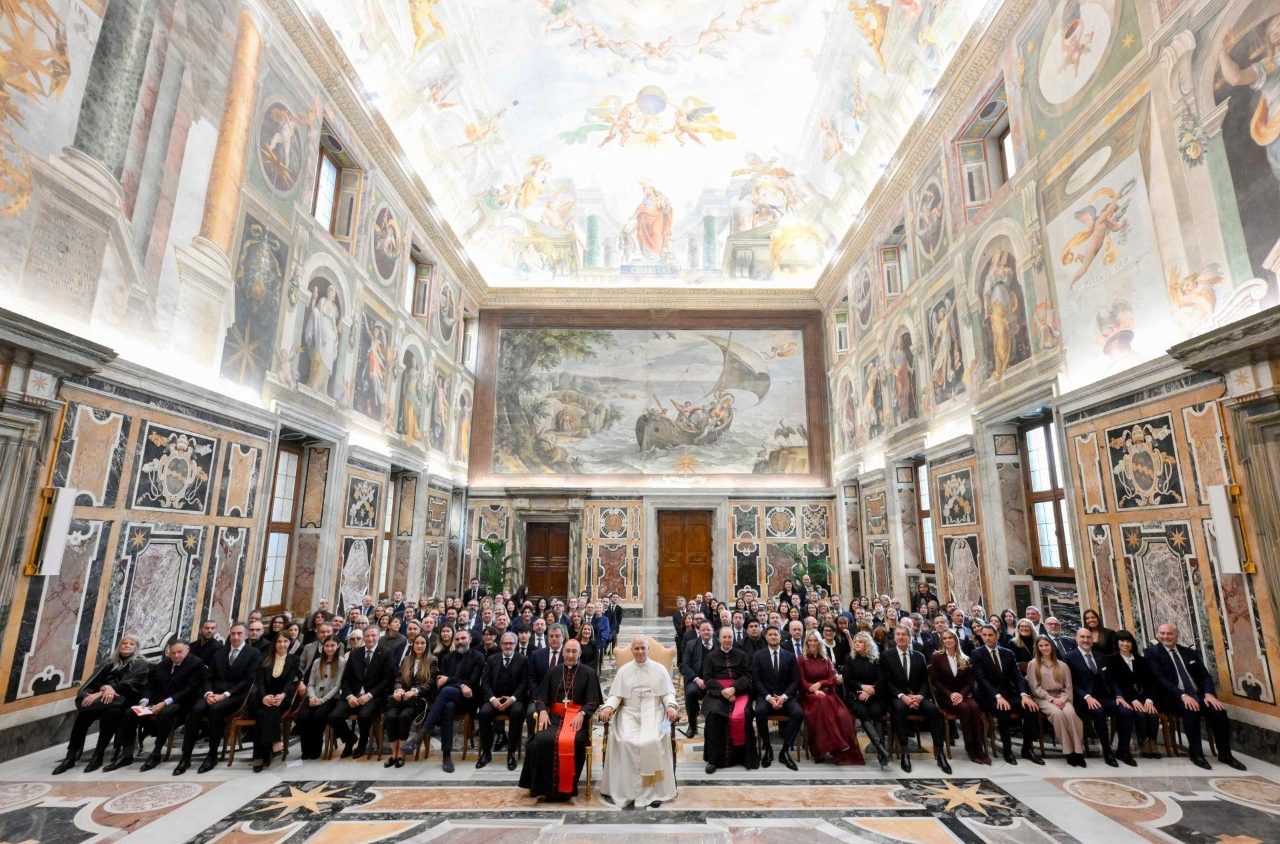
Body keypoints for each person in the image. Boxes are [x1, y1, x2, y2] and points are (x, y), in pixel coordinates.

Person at [1145, 623, 1245, 770]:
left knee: (1218, 710)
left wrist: (1209, 694)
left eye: (1169, 634)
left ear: (1176, 635)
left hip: (1198, 695)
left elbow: (1205, 676)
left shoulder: (1189, 653)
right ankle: (1196, 754)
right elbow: (1160, 679)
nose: (1165, 637)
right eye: (1162, 633)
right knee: (1190, 710)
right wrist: (1182, 695)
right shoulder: (1152, 653)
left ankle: (1225, 754)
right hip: (1173, 697)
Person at [599, 636, 679, 808]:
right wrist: (608, 707)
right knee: (625, 741)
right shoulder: (624, 671)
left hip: (655, 713)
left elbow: (667, 694)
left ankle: (654, 792)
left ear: (648, 649)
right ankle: (626, 790)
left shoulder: (659, 669)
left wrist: (671, 706)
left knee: (653, 740)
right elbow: (616, 695)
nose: (640, 651)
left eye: (643, 648)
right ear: (632, 650)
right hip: (629, 713)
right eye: (636, 648)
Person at [520, 638, 602, 801]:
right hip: (553, 718)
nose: (570, 655)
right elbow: (541, 697)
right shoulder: (553, 672)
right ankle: (541, 788)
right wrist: (542, 711)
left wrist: (583, 713)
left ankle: (565, 790)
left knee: (574, 741)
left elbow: (593, 701)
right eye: (568, 651)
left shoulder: (588, 673)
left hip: (576, 719)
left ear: (579, 653)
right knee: (540, 740)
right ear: (563, 653)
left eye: (574, 651)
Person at [175, 623, 263, 775]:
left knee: (216, 710)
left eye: (239, 633)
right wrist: (208, 693)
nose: (235, 637)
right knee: (196, 710)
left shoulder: (253, 653)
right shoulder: (220, 652)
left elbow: (248, 680)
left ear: (245, 635)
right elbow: (208, 677)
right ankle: (186, 756)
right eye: (233, 633)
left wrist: (225, 695)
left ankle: (212, 755)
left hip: (236, 696)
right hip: (213, 693)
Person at [53, 635, 148, 775]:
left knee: (111, 715)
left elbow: (130, 685)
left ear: (136, 647)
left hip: (124, 701)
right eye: (124, 643)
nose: (127, 645)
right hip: (103, 700)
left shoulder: (140, 664)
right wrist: (104, 688)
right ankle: (71, 755)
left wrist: (102, 692)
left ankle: (98, 754)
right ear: (118, 646)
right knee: (83, 715)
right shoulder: (109, 662)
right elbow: (95, 682)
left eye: (131, 644)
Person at [105, 640, 205, 772]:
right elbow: (150, 685)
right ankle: (126, 754)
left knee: (166, 712)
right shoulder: (164, 664)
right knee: (130, 712)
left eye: (179, 652)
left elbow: (190, 689)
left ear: (187, 650)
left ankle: (156, 753)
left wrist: (165, 702)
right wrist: (145, 700)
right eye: (173, 653)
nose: (176, 656)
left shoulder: (196, 664)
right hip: (158, 701)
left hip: (181, 702)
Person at [404, 628, 485, 772]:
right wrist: (459, 684)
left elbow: (472, 683)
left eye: (463, 638)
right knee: (448, 707)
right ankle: (446, 756)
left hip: (468, 699)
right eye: (457, 639)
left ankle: (422, 733)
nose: (460, 642)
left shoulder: (478, 657)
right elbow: (440, 681)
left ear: (470, 639)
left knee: (447, 691)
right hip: (449, 698)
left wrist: (451, 681)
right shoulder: (448, 658)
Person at [880, 623, 950, 774]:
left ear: (910, 637)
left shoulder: (919, 656)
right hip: (897, 697)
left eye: (904, 634)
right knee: (899, 708)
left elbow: (925, 681)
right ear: (894, 637)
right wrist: (902, 696)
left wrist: (920, 696)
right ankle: (905, 752)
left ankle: (939, 754)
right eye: (898, 634)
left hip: (917, 696)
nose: (900, 637)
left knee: (934, 710)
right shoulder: (887, 655)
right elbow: (886, 682)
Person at [971, 624, 1043, 765]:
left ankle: (1027, 749)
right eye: (984, 635)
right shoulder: (977, 653)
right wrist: (998, 697)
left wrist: (1024, 695)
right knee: (1003, 709)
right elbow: (981, 679)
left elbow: (1018, 677)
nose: (987, 638)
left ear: (997, 635)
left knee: (1030, 708)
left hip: (1008, 693)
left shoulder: (1008, 653)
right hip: (988, 695)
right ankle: (1007, 750)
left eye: (990, 635)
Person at [1064, 627, 1133, 767]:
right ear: (1076, 639)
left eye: (1088, 637)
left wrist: (1118, 696)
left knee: (1126, 711)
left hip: (1104, 697)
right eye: (1082, 637)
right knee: (1098, 711)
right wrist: (1086, 696)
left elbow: (1112, 680)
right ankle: (1107, 751)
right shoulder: (1068, 657)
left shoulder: (1101, 656)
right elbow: (1070, 683)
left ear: (1092, 639)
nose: (1085, 640)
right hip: (1083, 699)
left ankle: (1122, 750)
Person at [798, 631, 863, 765]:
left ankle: (840, 749)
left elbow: (832, 678)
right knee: (823, 705)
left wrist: (820, 684)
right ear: (806, 643)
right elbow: (802, 681)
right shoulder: (801, 659)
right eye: (810, 641)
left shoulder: (825, 659)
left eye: (815, 641)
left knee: (843, 715)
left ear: (819, 643)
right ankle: (837, 743)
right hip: (810, 696)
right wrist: (813, 689)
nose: (812, 643)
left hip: (828, 693)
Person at [329, 626, 394, 759]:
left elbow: (387, 680)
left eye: (373, 635)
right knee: (334, 716)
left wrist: (369, 695)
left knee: (364, 715)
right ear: (363, 637)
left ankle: (362, 743)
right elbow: (346, 679)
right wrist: (349, 696)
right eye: (367, 636)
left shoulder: (386, 652)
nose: (370, 638)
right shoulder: (354, 654)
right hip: (353, 694)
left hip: (374, 696)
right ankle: (349, 739)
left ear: (378, 636)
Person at [928, 629, 990, 764]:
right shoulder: (937, 657)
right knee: (965, 708)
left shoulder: (965, 658)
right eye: (945, 638)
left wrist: (961, 694)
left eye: (950, 638)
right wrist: (950, 694)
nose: (948, 640)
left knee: (975, 707)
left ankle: (979, 747)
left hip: (963, 694)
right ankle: (970, 749)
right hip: (945, 696)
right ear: (942, 641)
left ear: (955, 640)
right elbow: (936, 682)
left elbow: (969, 682)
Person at [701, 626, 758, 774]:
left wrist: (734, 689)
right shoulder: (711, 657)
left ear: (733, 638)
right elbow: (708, 678)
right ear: (719, 639)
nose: (727, 640)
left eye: (730, 637)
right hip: (717, 692)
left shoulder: (741, 655)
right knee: (714, 714)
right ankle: (713, 760)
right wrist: (723, 691)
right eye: (724, 637)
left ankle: (744, 757)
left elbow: (747, 675)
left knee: (745, 714)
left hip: (739, 691)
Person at [1026, 635, 1087, 767]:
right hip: (1043, 698)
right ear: (1037, 647)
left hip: (1063, 697)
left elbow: (1068, 687)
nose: (1044, 648)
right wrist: (1052, 700)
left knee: (1071, 714)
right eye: (1041, 646)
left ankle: (1078, 751)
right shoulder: (1033, 664)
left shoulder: (1062, 665)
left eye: (1046, 645)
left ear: (1052, 646)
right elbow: (1035, 688)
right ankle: (1069, 752)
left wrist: (1063, 698)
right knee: (1058, 714)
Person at [750, 624, 802, 771]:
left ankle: (784, 751)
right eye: (770, 635)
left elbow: (795, 681)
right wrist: (769, 698)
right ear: (766, 637)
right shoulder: (758, 656)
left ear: (780, 637)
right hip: (766, 696)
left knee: (798, 713)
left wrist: (784, 697)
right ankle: (768, 748)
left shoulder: (790, 656)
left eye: (776, 634)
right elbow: (756, 680)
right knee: (759, 712)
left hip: (786, 696)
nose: (773, 637)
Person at [250, 632, 303, 772]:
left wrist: (282, 695)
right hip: (264, 697)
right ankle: (274, 742)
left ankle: (258, 756)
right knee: (263, 712)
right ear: (275, 643)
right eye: (279, 641)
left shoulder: (294, 659)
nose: (282, 644)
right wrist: (264, 697)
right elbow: (260, 682)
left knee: (267, 711)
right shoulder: (265, 658)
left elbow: (290, 681)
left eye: (285, 641)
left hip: (282, 698)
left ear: (289, 643)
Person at [477, 631, 529, 771]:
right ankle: (486, 752)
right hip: (495, 698)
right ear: (500, 645)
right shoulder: (492, 659)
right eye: (505, 643)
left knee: (517, 712)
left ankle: (511, 752)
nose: (508, 646)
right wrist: (493, 699)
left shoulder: (523, 659)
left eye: (511, 643)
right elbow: (485, 683)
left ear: (515, 645)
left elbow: (524, 683)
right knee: (484, 713)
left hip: (514, 699)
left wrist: (512, 699)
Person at [1105, 630, 1161, 759]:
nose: (1125, 644)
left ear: (1132, 643)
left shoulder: (1142, 660)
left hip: (1144, 697)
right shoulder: (1111, 660)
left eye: (1128, 641)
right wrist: (1133, 699)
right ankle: (1143, 741)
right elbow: (1116, 684)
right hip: (1126, 698)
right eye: (1122, 641)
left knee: (1153, 713)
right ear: (1117, 643)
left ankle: (1152, 742)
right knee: (1140, 714)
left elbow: (1150, 682)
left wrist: (1149, 699)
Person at [385, 634, 435, 768]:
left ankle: (401, 753)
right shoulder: (407, 659)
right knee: (390, 716)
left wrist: (415, 691)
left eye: (422, 643)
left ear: (427, 645)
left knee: (404, 716)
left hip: (419, 699)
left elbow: (431, 683)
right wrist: (398, 689)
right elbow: (399, 678)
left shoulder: (432, 660)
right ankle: (393, 753)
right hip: (402, 698)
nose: (419, 645)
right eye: (417, 643)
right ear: (413, 645)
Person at [841, 631, 890, 767]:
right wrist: (862, 686)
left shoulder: (877, 659)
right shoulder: (850, 658)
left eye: (860, 642)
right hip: (855, 695)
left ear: (867, 644)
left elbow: (882, 679)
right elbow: (848, 680)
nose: (856, 644)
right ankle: (881, 749)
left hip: (874, 694)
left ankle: (881, 752)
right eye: (855, 641)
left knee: (876, 711)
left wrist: (871, 690)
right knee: (863, 712)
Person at [296, 638, 346, 760]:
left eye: (332, 645)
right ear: (323, 647)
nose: (329, 648)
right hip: (314, 696)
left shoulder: (342, 662)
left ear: (338, 646)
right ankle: (305, 750)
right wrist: (312, 697)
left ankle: (315, 748)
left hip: (331, 698)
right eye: (327, 646)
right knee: (303, 716)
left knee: (318, 715)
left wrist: (322, 701)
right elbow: (311, 684)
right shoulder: (317, 662)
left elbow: (337, 686)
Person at [679, 620, 715, 738]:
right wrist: (697, 679)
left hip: (715, 681)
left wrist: (711, 682)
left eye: (708, 629)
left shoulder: (719, 644)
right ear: (699, 632)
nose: (706, 632)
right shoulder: (691, 644)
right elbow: (685, 666)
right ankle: (692, 725)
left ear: (713, 631)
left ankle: (716, 724)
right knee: (690, 692)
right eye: (703, 630)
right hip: (697, 679)